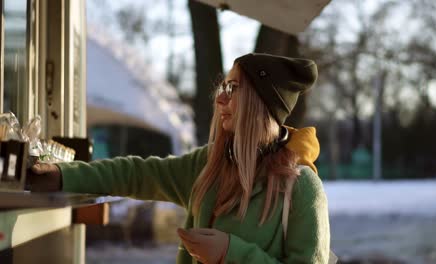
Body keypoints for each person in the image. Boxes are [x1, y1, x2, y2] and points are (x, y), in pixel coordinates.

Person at [28, 53, 331, 263]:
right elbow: (137, 174)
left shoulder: (303, 189)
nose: (220, 98)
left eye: (232, 88)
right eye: (222, 87)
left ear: (260, 103)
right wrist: (64, 174)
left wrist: (231, 253)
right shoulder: (209, 165)